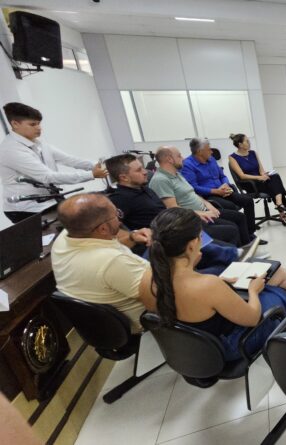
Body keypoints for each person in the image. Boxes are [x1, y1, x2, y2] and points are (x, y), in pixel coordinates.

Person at [138, 207, 286, 361]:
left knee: (273, 274)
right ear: (193, 244)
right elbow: (252, 318)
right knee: (274, 287)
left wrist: (220, 284)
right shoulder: (206, 285)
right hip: (227, 346)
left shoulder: (147, 278)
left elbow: (178, 300)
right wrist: (254, 291)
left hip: (192, 345)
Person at [106, 153, 243, 270]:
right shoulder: (120, 200)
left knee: (226, 241)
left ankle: (236, 259)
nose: (144, 171)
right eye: (138, 170)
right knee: (225, 251)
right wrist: (135, 235)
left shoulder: (145, 189)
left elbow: (165, 210)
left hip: (177, 229)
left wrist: (194, 213)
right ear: (124, 177)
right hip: (165, 244)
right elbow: (115, 232)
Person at [51, 193, 154, 332]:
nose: (119, 220)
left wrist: (132, 237)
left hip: (103, 325)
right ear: (103, 229)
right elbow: (158, 300)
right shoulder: (113, 262)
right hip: (145, 321)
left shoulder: (67, 235)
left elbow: (109, 243)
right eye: (117, 215)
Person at [0, 102, 107, 223]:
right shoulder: (11, 149)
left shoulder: (38, 143)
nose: (39, 128)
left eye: (39, 123)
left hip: (50, 200)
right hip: (27, 208)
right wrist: (91, 175)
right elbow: (47, 177)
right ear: (15, 124)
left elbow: (70, 160)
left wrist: (101, 165)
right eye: (32, 124)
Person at [149, 146, 254, 247]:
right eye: (179, 156)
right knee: (232, 229)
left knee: (239, 217)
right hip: (193, 219)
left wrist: (208, 204)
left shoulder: (177, 174)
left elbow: (192, 193)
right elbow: (173, 209)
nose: (183, 158)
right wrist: (202, 213)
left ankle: (246, 248)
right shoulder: (161, 180)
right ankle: (238, 258)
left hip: (203, 210)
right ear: (170, 159)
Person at [182, 137, 259, 236]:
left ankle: (250, 233)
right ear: (200, 151)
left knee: (248, 201)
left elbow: (222, 176)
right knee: (231, 207)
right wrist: (215, 191)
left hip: (223, 191)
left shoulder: (211, 159)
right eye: (208, 149)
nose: (211, 151)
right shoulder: (188, 165)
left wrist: (225, 184)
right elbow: (194, 187)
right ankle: (240, 235)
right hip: (208, 195)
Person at [228, 133, 286, 224]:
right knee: (273, 185)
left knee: (275, 177)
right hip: (250, 183)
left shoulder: (253, 153)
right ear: (240, 145)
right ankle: (280, 209)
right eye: (247, 141)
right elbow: (242, 176)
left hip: (260, 179)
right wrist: (259, 177)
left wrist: (264, 175)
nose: (249, 143)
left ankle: (279, 204)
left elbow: (261, 170)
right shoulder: (232, 157)